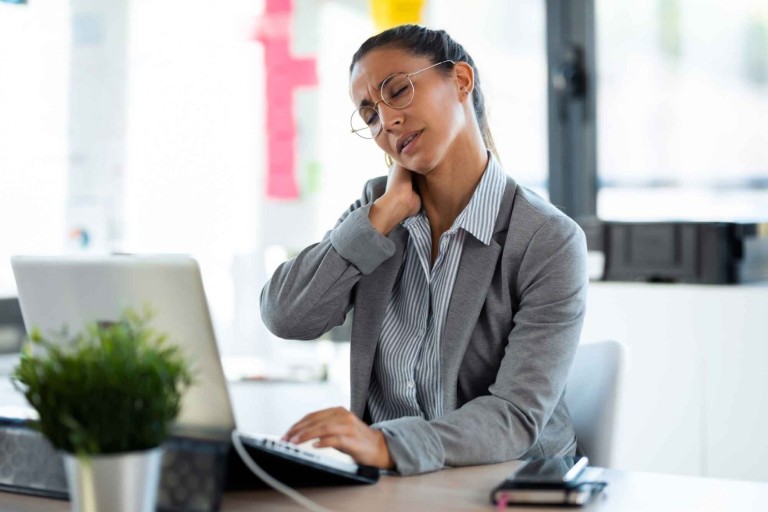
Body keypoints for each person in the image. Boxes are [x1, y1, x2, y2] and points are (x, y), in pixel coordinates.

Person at [261, 24, 588, 476]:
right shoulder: (376, 214)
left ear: (460, 81)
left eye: (397, 91)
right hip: (395, 484)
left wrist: (385, 444)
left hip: (507, 483)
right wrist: (382, 216)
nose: (387, 122)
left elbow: (515, 417)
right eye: (370, 116)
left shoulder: (548, 240)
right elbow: (286, 315)